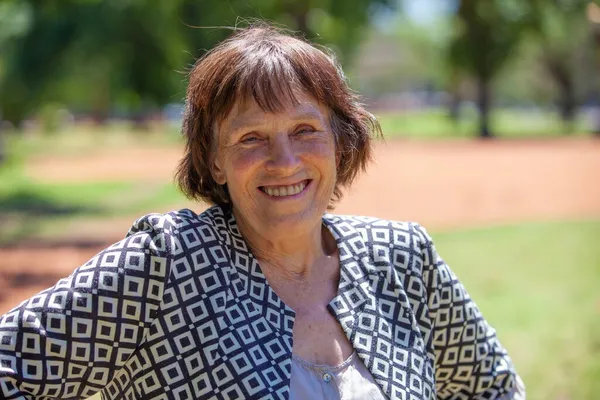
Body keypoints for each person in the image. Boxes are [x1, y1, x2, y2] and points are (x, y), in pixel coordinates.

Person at [0, 24, 525, 400]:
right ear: (214, 160)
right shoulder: (166, 265)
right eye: (251, 137)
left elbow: (493, 388)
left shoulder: (403, 258)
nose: (285, 161)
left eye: (304, 130)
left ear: (340, 143)